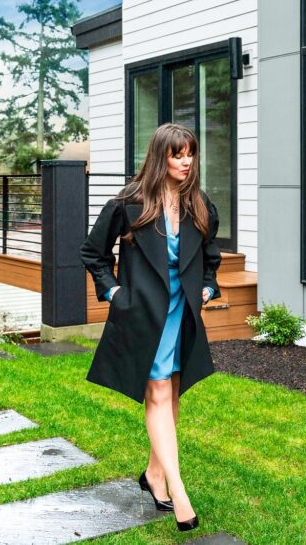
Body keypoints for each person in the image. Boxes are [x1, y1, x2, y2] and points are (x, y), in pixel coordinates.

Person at [80, 122, 222, 533]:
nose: (186, 162)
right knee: (158, 391)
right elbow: (92, 252)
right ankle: (178, 492)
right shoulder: (129, 203)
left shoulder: (199, 203)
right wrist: (112, 292)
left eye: (190, 154)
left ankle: (153, 474)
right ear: (161, 157)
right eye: (177, 155)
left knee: (173, 392)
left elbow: (211, 258)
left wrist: (209, 287)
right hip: (144, 313)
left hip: (182, 312)